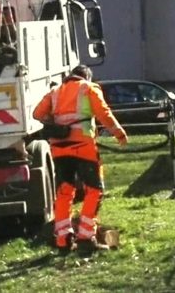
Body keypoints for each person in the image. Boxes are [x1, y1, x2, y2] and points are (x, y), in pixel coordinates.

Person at [31, 64, 128, 258]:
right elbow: (103, 112)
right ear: (86, 77)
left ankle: (63, 240)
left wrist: (56, 121)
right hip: (83, 146)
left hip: (59, 149)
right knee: (94, 190)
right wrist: (119, 133)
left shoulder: (55, 92)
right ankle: (85, 238)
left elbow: (37, 114)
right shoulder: (88, 88)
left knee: (64, 192)